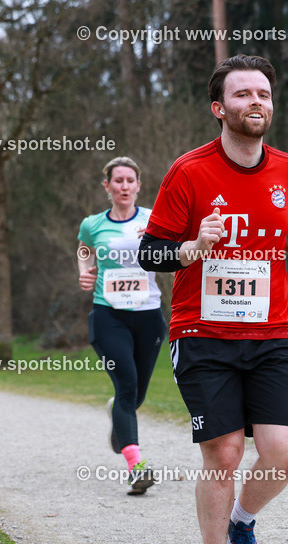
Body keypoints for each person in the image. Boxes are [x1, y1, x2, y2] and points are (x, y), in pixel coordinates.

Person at [139, 54, 288, 544]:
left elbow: (284, 234)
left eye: (263, 93)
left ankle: (242, 522)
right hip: (202, 334)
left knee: (284, 452)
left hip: (273, 332)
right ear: (219, 108)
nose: (256, 102)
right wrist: (193, 247)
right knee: (222, 453)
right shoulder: (189, 171)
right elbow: (150, 252)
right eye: (243, 95)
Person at [78, 156, 165, 496]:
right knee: (127, 385)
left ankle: (118, 415)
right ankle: (136, 466)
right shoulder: (93, 223)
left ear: (138, 186)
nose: (125, 186)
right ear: (108, 186)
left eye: (130, 180)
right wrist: (84, 271)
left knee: (135, 395)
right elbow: (85, 249)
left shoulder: (154, 219)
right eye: (118, 181)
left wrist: (155, 242)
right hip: (108, 315)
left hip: (148, 316)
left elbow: (176, 252)